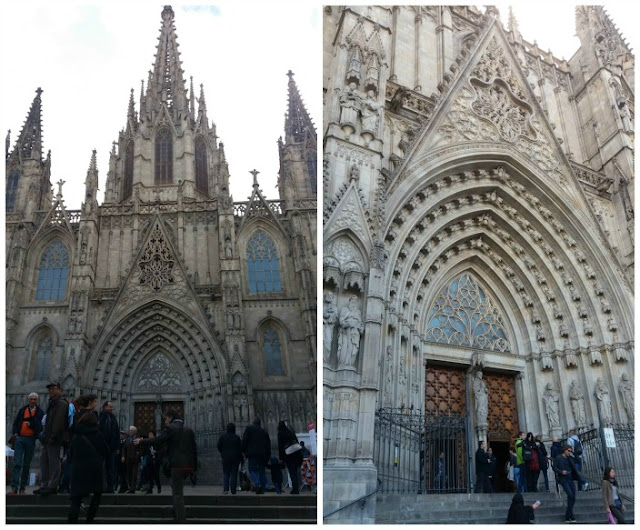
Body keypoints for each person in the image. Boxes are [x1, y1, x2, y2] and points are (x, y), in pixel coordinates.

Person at [134, 408, 197, 523]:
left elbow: (158, 440)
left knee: (177, 494)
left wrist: (142, 441)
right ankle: (177, 513)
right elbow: (194, 450)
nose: (165, 422)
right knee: (176, 487)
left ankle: (181, 520)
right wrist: (194, 468)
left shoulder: (170, 428)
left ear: (170, 417)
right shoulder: (189, 430)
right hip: (187, 465)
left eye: (166, 419)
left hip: (177, 465)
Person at [67, 412, 109, 523]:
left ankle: (72, 523)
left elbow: (70, 453)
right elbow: (105, 451)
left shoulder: (76, 435)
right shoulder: (97, 434)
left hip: (78, 470)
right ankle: (89, 520)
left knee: (76, 500)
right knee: (96, 495)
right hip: (94, 470)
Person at [34, 381, 69, 496]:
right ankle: (44, 484)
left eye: (53, 389)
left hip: (54, 438)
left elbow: (58, 422)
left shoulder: (61, 403)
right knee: (44, 460)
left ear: (59, 389)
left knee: (54, 461)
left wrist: (53, 436)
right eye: (49, 389)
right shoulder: (53, 402)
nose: (51, 391)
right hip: (47, 437)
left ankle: (53, 485)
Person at [10, 393, 44, 494]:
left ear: (37, 401)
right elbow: (15, 423)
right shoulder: (22, 410)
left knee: (26, 464)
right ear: (28, 400)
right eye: (31, 399)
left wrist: (31, 424)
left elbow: (40, 427)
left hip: (31, 439)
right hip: (20, 438)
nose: (33, 401)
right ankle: (14, 487)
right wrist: (15, 434)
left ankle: (22, 488)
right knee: (16, 463)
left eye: (35, 399)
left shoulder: (40, 412)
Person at [242, 417, 271, 494]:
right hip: (262, 454)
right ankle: (263, 487)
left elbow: (244, 440)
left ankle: (257, 483)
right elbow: (268, 445)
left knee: (252, 470)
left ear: (253, 423)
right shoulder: (264, 432)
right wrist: (268, 456)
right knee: (261, 471)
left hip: (252, 454)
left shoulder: (249, 429)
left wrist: (244, 451)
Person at [98, 401, 120, 493]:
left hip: (111, 448)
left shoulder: (113, 418)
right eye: (110, 407)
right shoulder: (100, 417)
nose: (112, 408)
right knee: (101, 468)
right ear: (105, 407)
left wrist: (117, 446)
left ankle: (110, 487)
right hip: (102, 447)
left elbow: (116, 433)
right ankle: (101, 487)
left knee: (111, 468)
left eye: (112, 407)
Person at [552, 445, 578, 523]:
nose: (569, 452)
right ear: (565, 450)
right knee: (570, 495)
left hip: (570, 479)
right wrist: (561, 472)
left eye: (570, 451)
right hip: (563, 479)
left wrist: (574, 453)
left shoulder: (570, 458)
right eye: (569, 451)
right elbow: (554, 467)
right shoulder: (559, 457)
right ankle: (570, 515)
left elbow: (578, 460)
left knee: (573, 497)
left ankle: (569, 515)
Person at [277, 420, 303, 495]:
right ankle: (296, 487)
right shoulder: (291, 432)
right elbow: (297, 443)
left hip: (288, 455)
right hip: (295, 454)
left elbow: (280, 447)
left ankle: (295, 489)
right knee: (295, 471)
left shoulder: (280, 434)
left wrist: (281, 458)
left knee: (292, 472)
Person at [217, 422, 243, 495]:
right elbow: (240, 448)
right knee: (234, 474)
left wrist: (222, 452)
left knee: (226, 473)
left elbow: (218, 446)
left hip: (226, 458)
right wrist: (241, 458)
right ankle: (233, 490)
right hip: (235, 458)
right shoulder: (237, 437)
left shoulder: (223, 437)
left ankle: (225, 489)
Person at [122, 426, 141, 493]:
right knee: (129, 474)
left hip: (135, 460)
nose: (129, 432)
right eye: (129, 430)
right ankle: (130, 487)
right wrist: (123, 456)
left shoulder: (138, 439)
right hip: (128, 459)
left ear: (134, 432)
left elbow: (141, 449)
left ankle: (133, 488)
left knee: (134, 474)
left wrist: (137, 455)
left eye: (131, 430)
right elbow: (124, 448)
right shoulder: (128, 439)